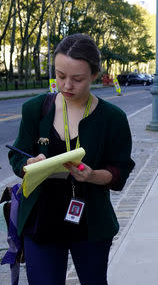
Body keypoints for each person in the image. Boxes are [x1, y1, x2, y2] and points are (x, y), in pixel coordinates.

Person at [8, 33, 135, 285]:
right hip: (41, 220)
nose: (67, 86)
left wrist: (93, 175)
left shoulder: (113, 118)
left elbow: (121, 169)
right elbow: (16, 155)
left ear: (95, 75)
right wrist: (28, 165)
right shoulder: (35, 109)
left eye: (77, 79)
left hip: (91, 223)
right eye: (60, 75)